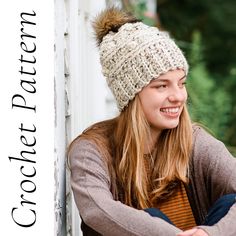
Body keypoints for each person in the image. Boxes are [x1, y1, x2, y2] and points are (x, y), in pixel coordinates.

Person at [68, 7, 236, 236]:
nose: (178, 96)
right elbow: (96, 210)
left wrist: (210, 234)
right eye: (162, 85)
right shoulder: (92, 151)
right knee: (151, 217)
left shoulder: (195, 143)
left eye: (181, 83)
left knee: (230, 203)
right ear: (132, 94)